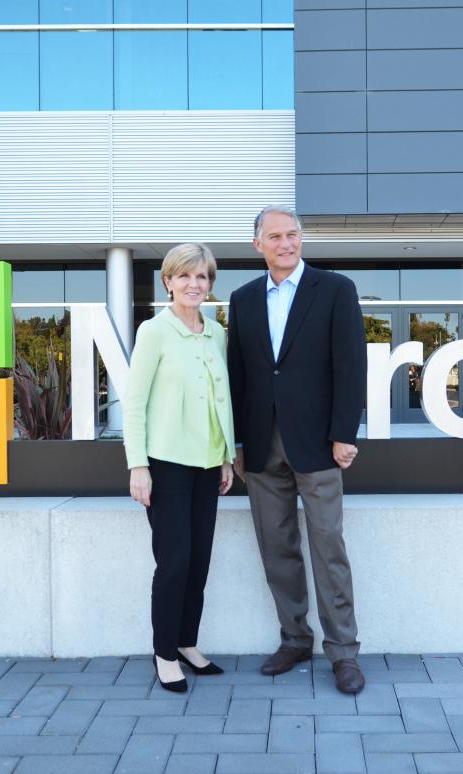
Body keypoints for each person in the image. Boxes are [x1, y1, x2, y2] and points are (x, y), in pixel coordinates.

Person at [227, 205, 368, 694]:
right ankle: (293, 638)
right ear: (257, 245)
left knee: (329, 547)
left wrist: (344, 433)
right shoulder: (242, 299)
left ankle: (344, 654)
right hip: (262, 447)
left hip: (319, 445)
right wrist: (240, 443)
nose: (286, 243)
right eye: (275, 236)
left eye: (292, 235)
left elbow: (351, 365)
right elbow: (239, 377)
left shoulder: (334, 290)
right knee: (277, 548)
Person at [123, 242, 235, 693]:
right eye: (184, 276)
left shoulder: (217, 333)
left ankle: (188, 642)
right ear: (167, 281)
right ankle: (165, 653)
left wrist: (226, 454)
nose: (194, 284)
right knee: (174, 562)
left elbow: (218, 401)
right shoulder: (155, 331)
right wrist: (138, 466)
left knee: (200, 560)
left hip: (209, 464)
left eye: (202, 277)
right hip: (165, 465)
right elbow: (134, 403)